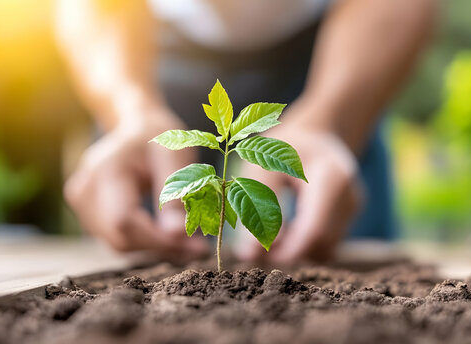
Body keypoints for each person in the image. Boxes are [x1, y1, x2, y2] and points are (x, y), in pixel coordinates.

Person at [55, 0, 437, 264]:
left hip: (339, 45)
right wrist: (128, 109)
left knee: (336, 245)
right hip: (148, 45)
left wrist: (332, 118)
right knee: (139, 248)